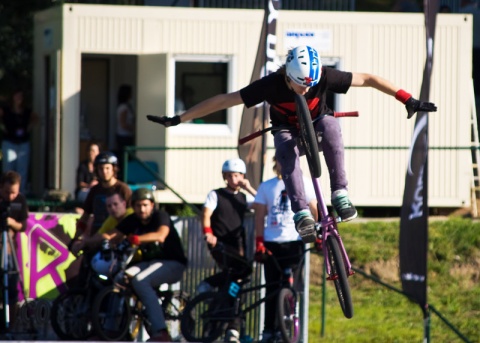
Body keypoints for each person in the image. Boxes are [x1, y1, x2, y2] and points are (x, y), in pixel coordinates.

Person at [147, 45, 437, 243]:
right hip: (287, 129)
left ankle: (340, 193)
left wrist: (406, 98)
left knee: (333, 126)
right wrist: (180, 118)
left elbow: (369, 78)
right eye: (300, 85)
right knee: (284, 150)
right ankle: (301, 212)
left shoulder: (322, 75)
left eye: (310, 85)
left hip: (318, 125)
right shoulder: (270, 84)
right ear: (287, 75)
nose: (306, 89)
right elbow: (225, 99)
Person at [102, 188, 187, 342]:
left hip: (173, 264)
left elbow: (161, 235)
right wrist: (89, 242)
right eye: (138, 205)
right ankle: (113, 330)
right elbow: (112, 235)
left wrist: (137, 238)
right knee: (120, 277)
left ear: (152, 205)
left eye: (145, 205)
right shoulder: (133, 220)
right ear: (133, 207)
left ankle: (161, 332)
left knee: (141, 281)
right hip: (149, 263)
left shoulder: (161, 216)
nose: (142, 209)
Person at [251, 157, 317, 342]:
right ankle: (268, 330)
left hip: (295, 242)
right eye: (281, 160)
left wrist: (318, 232)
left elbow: (314, 206)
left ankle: (286, 329)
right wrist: (259, 241)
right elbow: (259, 216)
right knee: (272, 287)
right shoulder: (267, 186)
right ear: (276, 163)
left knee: (291, 287)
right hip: (272, 242)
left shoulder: (304, 183)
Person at [196, 158, 256, 343]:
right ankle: (232, 326)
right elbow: (206, 214)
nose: (233, 178)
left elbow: (263, 206)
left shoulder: (244, 197)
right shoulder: (216, 194)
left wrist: (249, 188)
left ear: (242, 176)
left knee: (236, 284)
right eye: (229, 175)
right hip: (219, 244)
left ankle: (225, 322)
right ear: (224, 177)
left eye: (237, 175)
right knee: (242, 272)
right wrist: (208, 234)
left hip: (238, 245)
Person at [74, 151, 132, 240]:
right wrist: (75, 238)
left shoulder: (123, 189)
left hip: (116, 238)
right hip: (96, 237)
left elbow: (130, 215)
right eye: (101, 168)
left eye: (107, 168)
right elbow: (85, 217)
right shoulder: (94, 190)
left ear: (114, 169)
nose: (104, 172)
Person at [0, 171, 28, 332]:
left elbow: (23, 226)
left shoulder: (21, 200)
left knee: (11, 284)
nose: (10, 197)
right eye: (6, 192)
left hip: (10, 248)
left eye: (14, 193)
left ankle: (13, 323)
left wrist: (11, 223)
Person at [0, 88, 39, 193]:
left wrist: (28, 128)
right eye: (16, 96)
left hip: (23, 142)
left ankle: (20, 193)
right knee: (8, 169)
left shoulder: (26, 111)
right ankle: (5, 192)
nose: (18, 99)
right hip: (9, 142)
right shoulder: (6, 110)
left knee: (22, 170)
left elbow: (35, 118)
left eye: (20, 96)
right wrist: (3, 127)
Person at [71, 190, 133, 255]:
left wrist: (86, 241)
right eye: (109, 206)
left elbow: (109, 235)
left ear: (124, 204)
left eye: (115, 204)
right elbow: (98, 236)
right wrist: (81, 242)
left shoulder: (131, 215)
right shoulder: (111, 219)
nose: (112, 208)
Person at [116, 84, 135, 171]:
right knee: (125, 158)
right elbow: (123, 124)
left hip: (127, 136)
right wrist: (134, 129)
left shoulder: (127, 106)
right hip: (124, 137)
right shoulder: (123, 107)